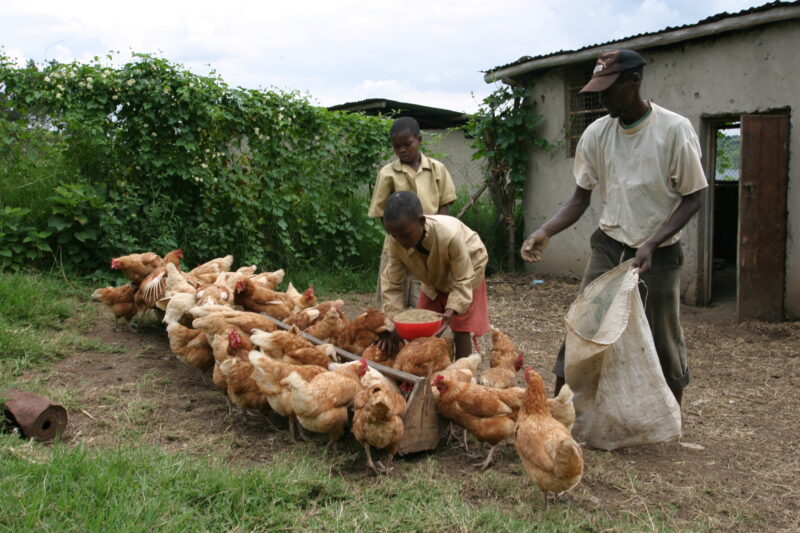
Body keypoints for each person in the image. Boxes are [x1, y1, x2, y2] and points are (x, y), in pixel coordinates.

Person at [520, 49, 707, 405]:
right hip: (609, 245)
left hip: (660, 253)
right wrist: (544, 231)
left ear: (634, 82)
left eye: (609, 89)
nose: (602, 98)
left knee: (662, 334)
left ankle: (672, 416)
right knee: (583, 323)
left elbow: (694, 198)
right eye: (598, 91)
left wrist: (652, 243)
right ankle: (554, 409)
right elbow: (579, 200)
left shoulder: (673, 130)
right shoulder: (596, 134)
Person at [379, 191, 489, 359]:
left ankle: (461, 374)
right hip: (434, 275)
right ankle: (427, 370)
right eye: (394, 235)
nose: (400, 240)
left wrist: (451, 311)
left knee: (460, 325)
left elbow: (462, 278)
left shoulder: (449, 235)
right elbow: (393, 283)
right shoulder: (395, 241)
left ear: (422, 221)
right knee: (422, 323)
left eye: (405, 235)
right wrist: (393, 324)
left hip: (469, 266)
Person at [368, 117, 457, 309]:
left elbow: (444, 206)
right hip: (395, 245)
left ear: (419, 140)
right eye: (396, 146)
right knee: (391, 292)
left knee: (424, 296)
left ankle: (421, 334)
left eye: (407, 144)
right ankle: (390, 332)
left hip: (429, 245)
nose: (401, 150)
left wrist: (435, 237)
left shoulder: (437, 169)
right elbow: (383, 213)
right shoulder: (387, 174)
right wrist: (398, 237)